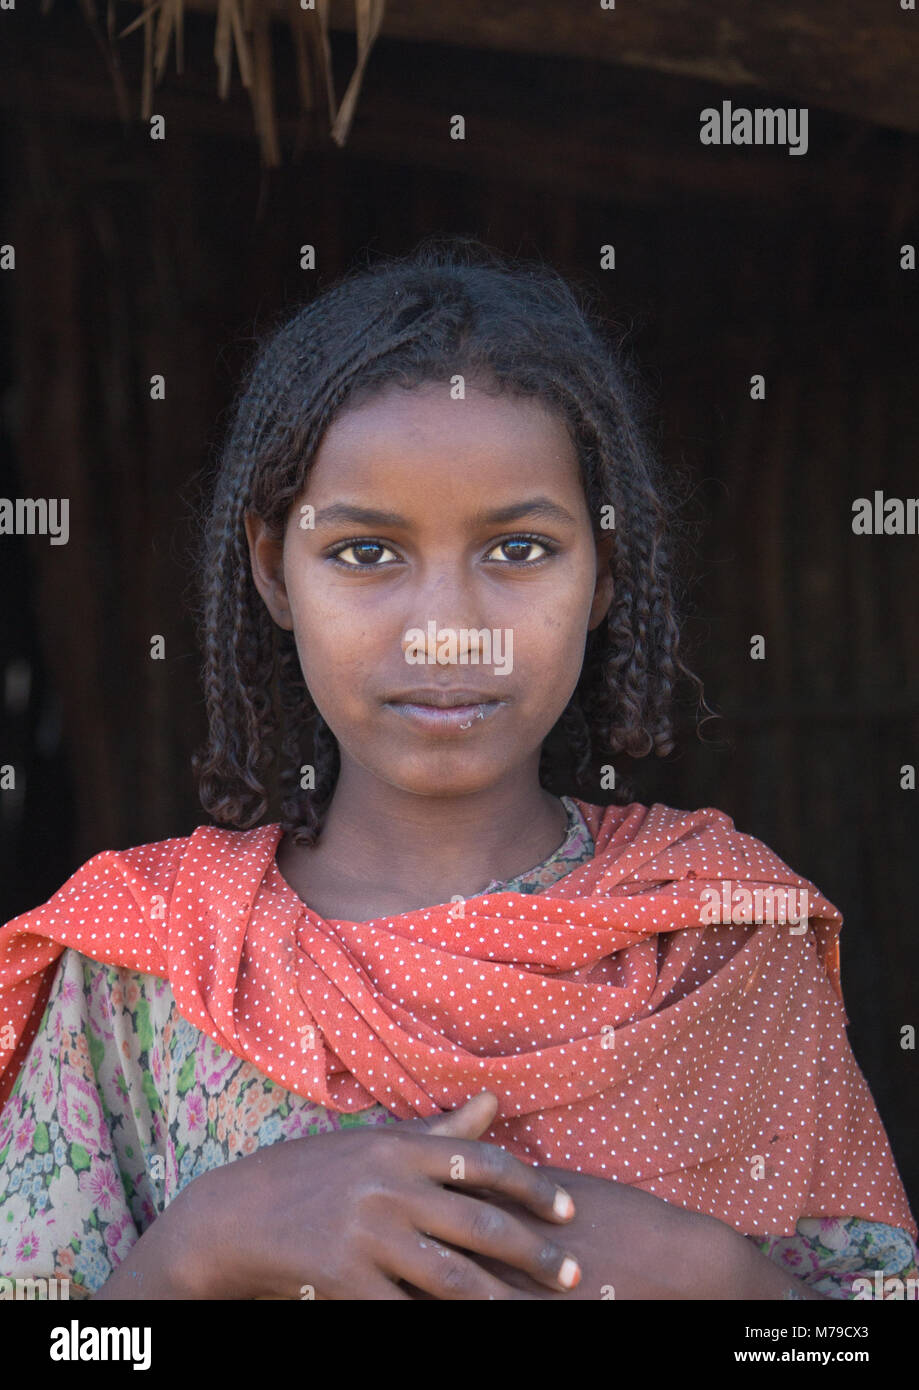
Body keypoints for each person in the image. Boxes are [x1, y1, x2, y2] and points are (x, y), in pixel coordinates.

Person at [1, 237, 915, 1301]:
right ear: (272, 568)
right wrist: (201, 1244)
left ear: (605, 569)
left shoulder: (715, 938)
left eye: (518, 549)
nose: (445, 630)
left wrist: (708, 1273)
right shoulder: (153, 961)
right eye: (365, 552)